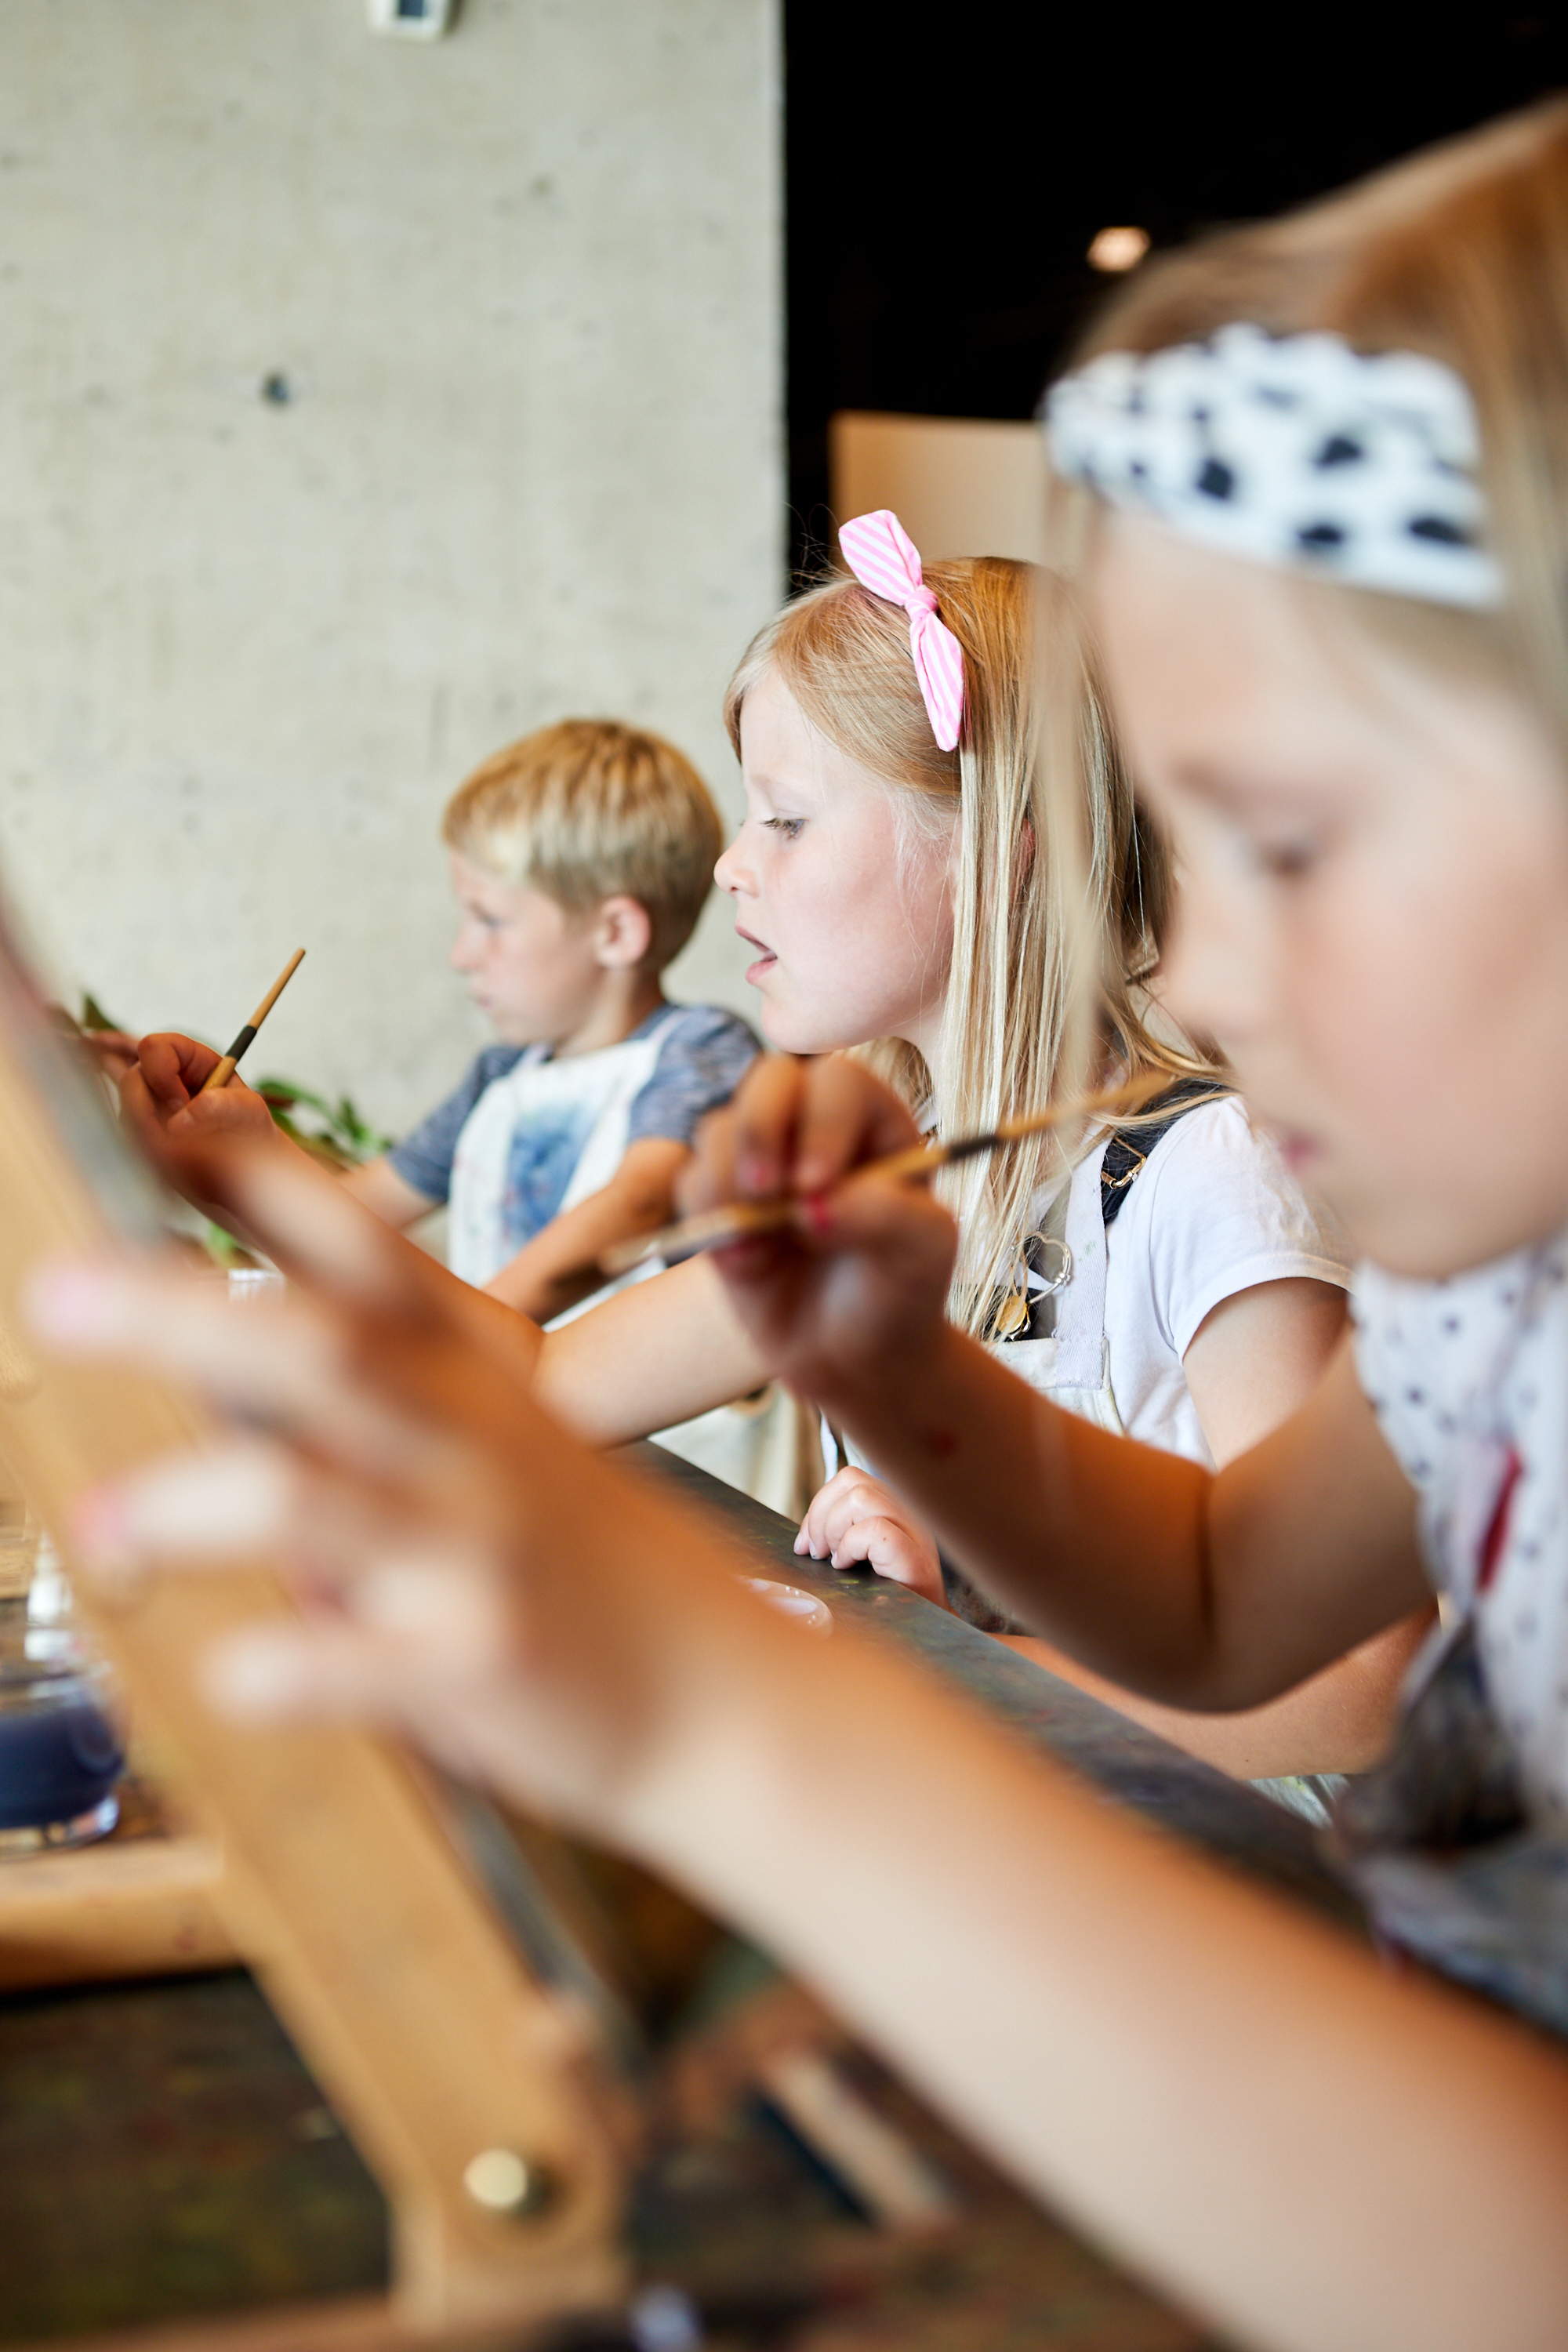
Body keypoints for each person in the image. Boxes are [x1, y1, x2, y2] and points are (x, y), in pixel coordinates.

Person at [42, 95, 1568, 2352]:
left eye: (1299, 840)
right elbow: (1240, 1591)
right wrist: (904, 1375)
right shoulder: (1484, 1303)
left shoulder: (1238, 1179)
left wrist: (718, 1719)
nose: (1215, 972)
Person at [121, 518, 1406, 1777]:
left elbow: (1349, 1697)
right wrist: (252, 1167)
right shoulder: (879, 1187)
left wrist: (969, 1663)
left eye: (787, 821)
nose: (734, 868)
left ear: (1001, 857)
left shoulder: (1209, 1176)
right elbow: (537, 1379)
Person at [342, 717, 758, 1324]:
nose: (462, 955)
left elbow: (639, 1201)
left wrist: (472, 1343)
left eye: (490, 920)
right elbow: (349, 1215)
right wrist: (205, 1144)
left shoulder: (699, 1050)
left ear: (614, 933)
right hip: (502, 1402)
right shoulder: (501, 1076)